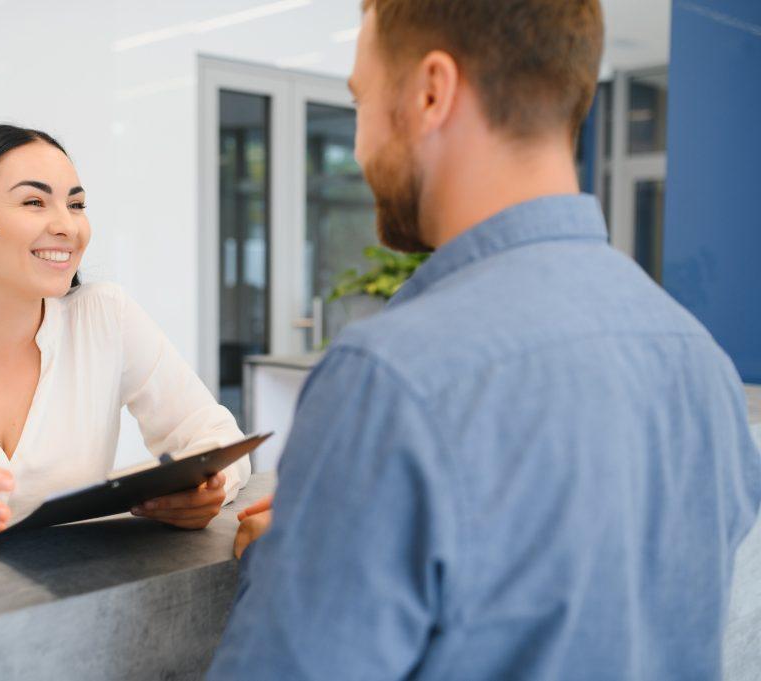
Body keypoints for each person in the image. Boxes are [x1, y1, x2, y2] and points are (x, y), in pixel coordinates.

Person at [208, 1, 761, 678]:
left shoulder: (392, 379)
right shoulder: (699, 360)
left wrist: (293, 561)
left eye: (360, 101)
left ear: (431, 92)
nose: (356, 146)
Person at [0, 125, 249, 548]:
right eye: (34, 201)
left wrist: (208, 488)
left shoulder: (105, 316)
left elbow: (217, 436)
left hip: (77, 599)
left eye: (76, 204)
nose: (67, 226)